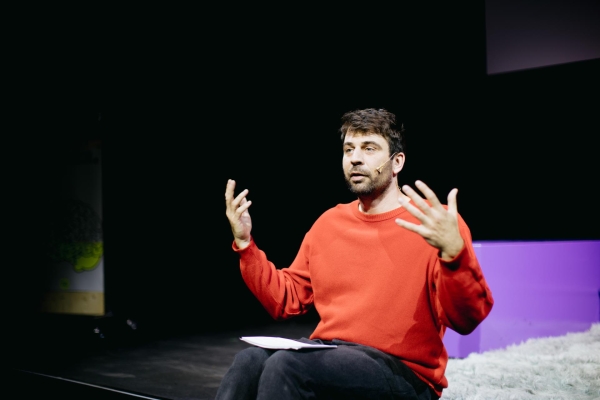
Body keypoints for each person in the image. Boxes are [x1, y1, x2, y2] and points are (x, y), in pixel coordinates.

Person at [218, 108, 494, 400]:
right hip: (332, 354)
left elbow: (466, 319)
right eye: (349, 149)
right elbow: (286, 299)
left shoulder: (436, 223)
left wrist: (453, 254)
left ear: (397, 162)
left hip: (403, 373)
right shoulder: (330, 223)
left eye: (369, 148)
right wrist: (245, 244)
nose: (355, 158)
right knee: (248, 362)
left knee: (285, 367)